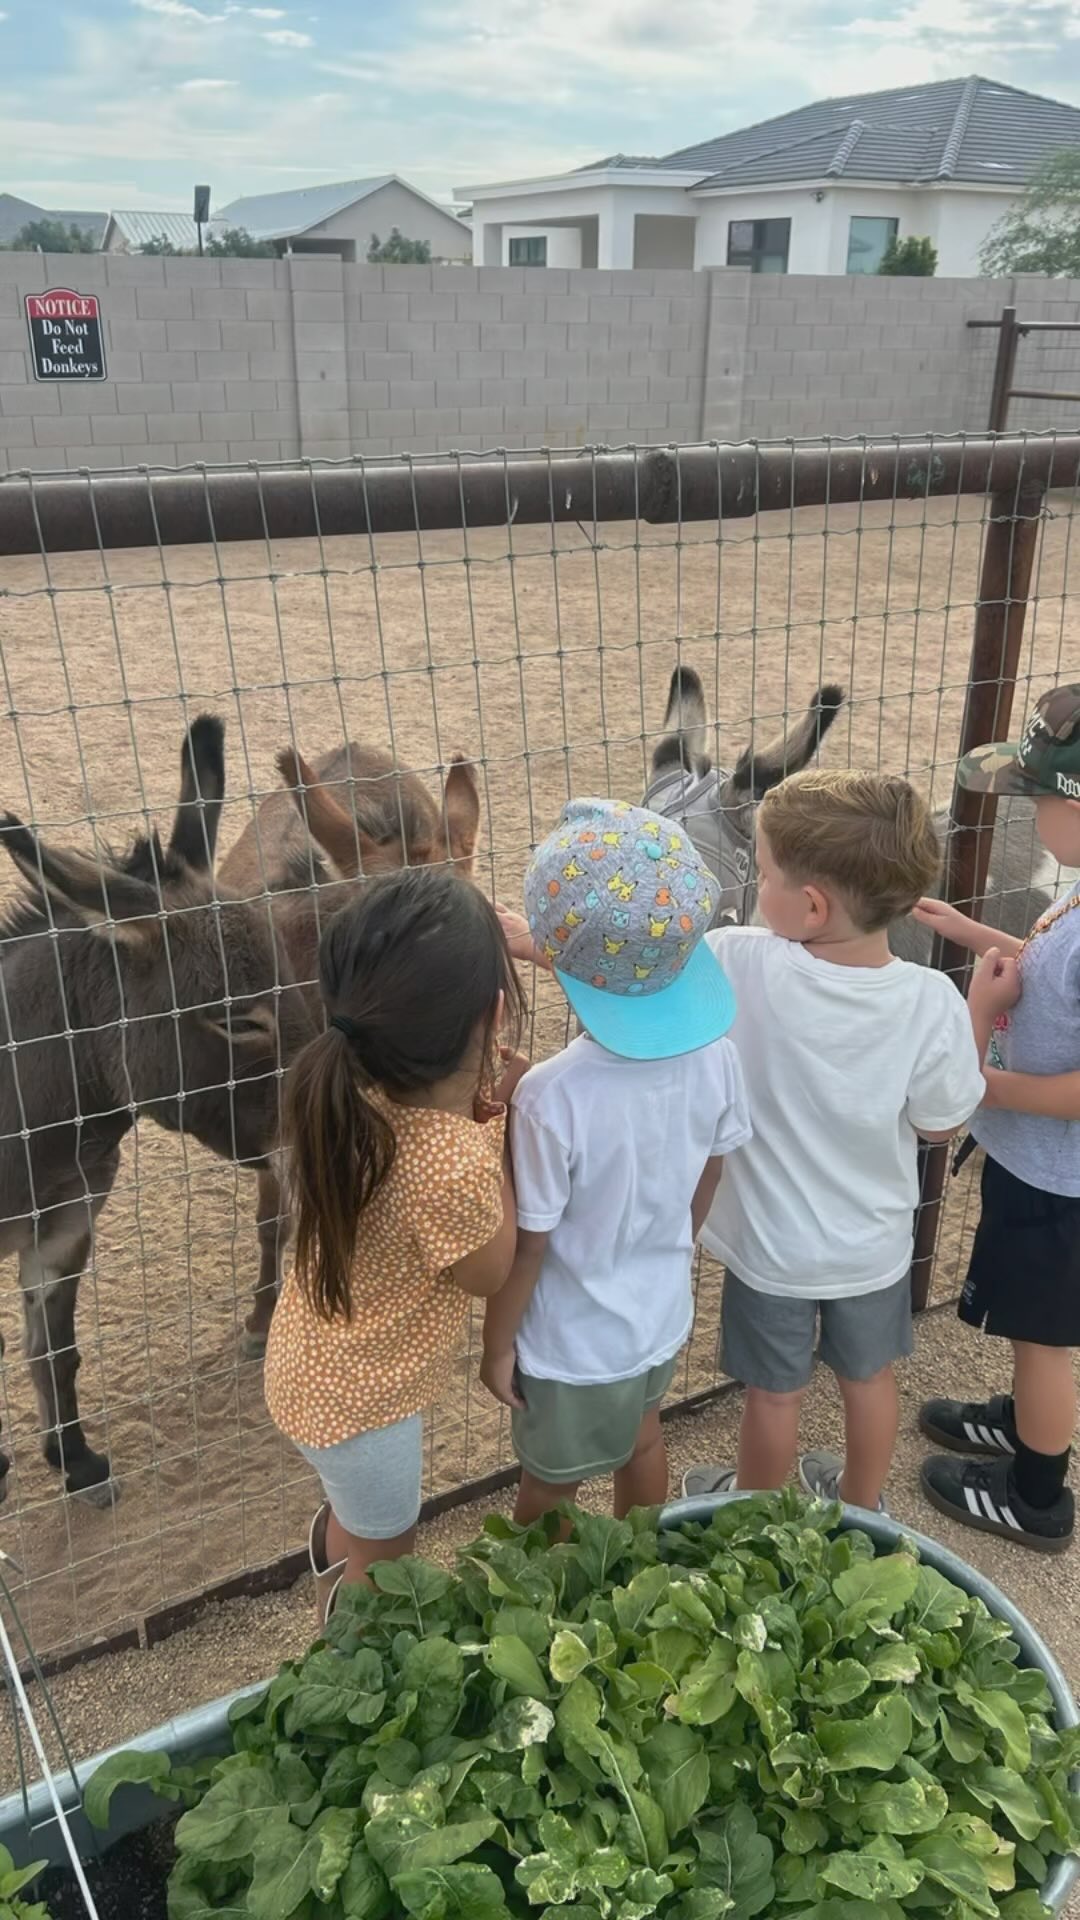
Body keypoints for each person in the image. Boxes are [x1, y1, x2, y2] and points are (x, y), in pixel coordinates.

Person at [682, 768, 986, 1512]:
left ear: (811, 904)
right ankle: (861, 1508)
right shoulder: (928, 1000)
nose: (756, 887)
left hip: (772, 1251)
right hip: (874, 1246)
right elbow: (941, 1122)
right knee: (869, 1378)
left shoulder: (739, 960)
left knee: (774, 1396)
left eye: (762, 873)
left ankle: (756, 1517)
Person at [263, 866, 527, 1619]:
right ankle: (352, 1656)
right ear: (495, 1014)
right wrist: (497, 1145)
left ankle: (329, 1549)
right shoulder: (448, 1163)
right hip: (365, 1412)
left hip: (315, 1372)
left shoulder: (355, 1091)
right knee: (388, 1564)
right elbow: (490, 1270)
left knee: (354, 1511)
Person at [480, 797, 751, 1523]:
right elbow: (710, 1174)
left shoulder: (546, 1097)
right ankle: (639, 1562)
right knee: (642, 1441)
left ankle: (548, 1602)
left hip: (572, 1342)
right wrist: (665, 1244)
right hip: (658, 1313)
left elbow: (531, 1246)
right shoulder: (717, 1058)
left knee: (550, 1481)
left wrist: (496, 1345)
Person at [916, 685, 1080, 1553]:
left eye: (1041, 797)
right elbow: (1053, 975)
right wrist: (980, 935)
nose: (1033, 812)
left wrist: (987, 1083)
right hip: (1043, 1168)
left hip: (1060, 1180)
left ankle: (1036, 1492)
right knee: (1033, 1322)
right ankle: (1024, 1422)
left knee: (1043, 1335)